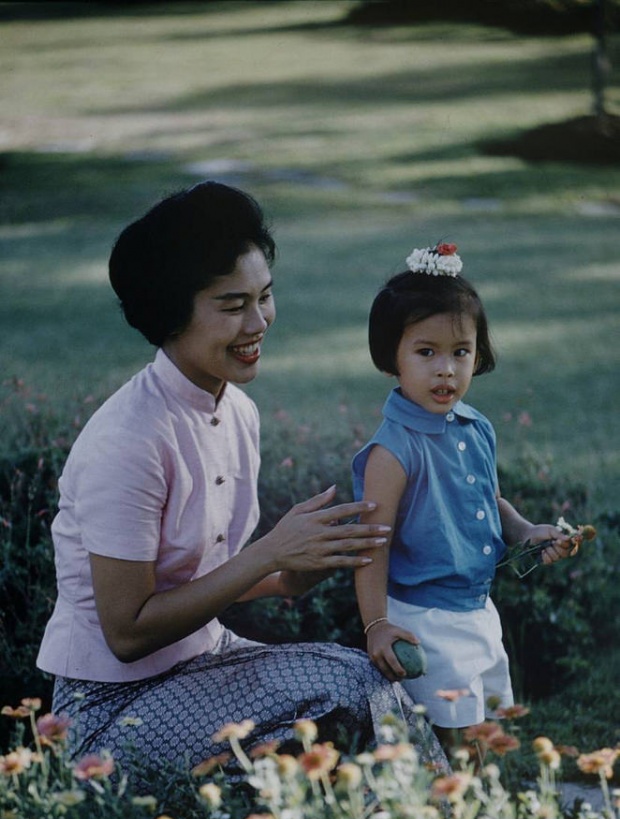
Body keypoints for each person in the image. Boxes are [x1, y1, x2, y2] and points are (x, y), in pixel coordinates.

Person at [37, 182, 446, 782]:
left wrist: (297, 571)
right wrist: (268, 555)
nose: (259, 322)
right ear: (171, 313)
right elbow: (125, 633)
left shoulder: (236, 411)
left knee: (358, 691)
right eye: (233, 306)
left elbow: (210, 577)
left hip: (202, 665)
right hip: (108, 715)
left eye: (266, 297)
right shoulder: (128, 440)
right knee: (351, 681)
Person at [352, 243, 578, 759]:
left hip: (476, 610)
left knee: (487, 735)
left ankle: (476, 814)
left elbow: (487, 498)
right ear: (393, 356)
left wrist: (524, 530)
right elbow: (372, 546)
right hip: (422, 617)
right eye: (425, 352)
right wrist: (376, 624)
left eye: (460, 352)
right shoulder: (393, 451)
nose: (447, 370)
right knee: (449, 743)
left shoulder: (476, 428)